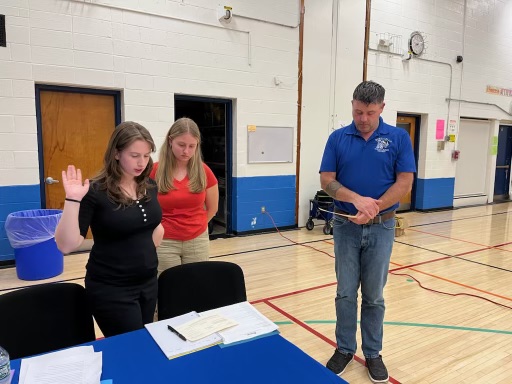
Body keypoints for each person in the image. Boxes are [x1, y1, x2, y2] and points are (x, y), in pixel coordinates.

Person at [320, 81, 415, 383]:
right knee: (345, 292)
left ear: (382, 109)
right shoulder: (337, 138)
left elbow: (404, 182)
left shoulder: (398, 138)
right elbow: (326, 180)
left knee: (374, 296)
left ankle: (373, 353)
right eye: (358, 111)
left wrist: (374, 207)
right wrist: (355, 199)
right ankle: (345, 348)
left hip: (382, 227)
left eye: (370, 113)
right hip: (346, 227)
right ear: (352, 105)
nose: (363, 118)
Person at [55, 121, 164, 338]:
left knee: (145, 343)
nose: (141, 162)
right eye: (134, 155)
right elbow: (66, 245)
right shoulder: (96, 191)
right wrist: (73, 199)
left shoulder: (149, 186)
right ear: (116, 153)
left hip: (148, 283)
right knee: (131, 348)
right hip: (112, 289)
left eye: (146, 155)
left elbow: (152, 227)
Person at [150, 117, 219, 275]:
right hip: (164, 241)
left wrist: (194, 225)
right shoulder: (154, 171)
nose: (186, 151)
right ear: (170, 141)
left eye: (191, 146)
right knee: (167, 287)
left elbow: (212, 208)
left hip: (197, 240)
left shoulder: (204, 171)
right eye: (181, 145)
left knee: (196, 286)